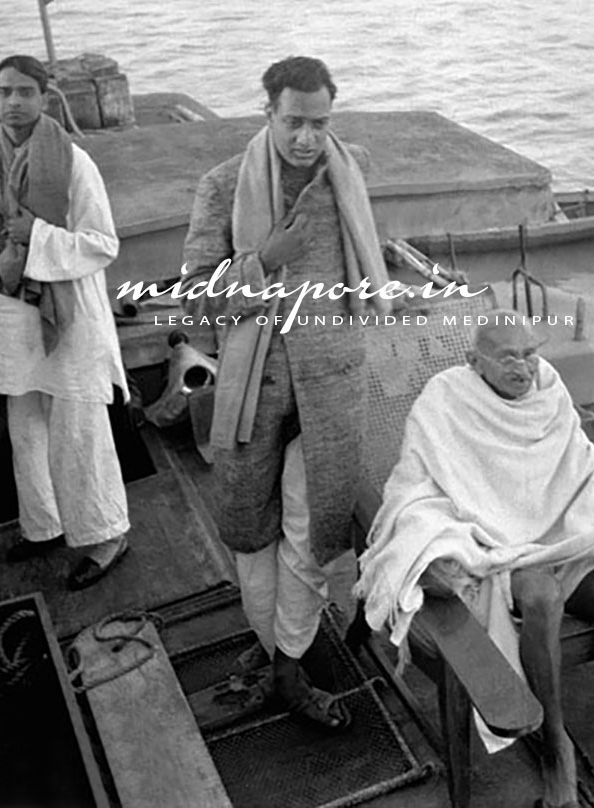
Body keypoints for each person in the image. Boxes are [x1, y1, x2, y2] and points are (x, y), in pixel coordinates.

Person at [356, 311, 594, 808]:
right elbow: (416, 488)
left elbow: (581, 467)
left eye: (531, 353)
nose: (524, 367)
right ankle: (557, 751)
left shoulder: (549, 391)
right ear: (476, 362)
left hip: (561, 538)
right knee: (539, 595)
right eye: (509, 357)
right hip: (499, 546)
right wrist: (447, 543)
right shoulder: (445, 399)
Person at [181, 55, 392, 731]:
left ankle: (290, 666)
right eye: (294, 121)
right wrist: (265, 258)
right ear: (267, 112)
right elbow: (195, 304)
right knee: (250, 530)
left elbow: (366, 258)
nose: (307, 137)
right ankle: (275, 643)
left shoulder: (347, 171)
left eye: (319, 121)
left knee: (311, 530)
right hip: (254, 387)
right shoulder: (221, 187)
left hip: (332, 385)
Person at [0, 55, 130, 591]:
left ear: (44, 99)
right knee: (26, 429)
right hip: (8, 312)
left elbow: (102, 244)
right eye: (5, 92)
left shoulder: (73, 164)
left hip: (65, 312)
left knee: (78, 430)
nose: (14, 102)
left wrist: (38, 235)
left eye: (26, 92)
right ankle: (44, 525)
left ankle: (107, 533)